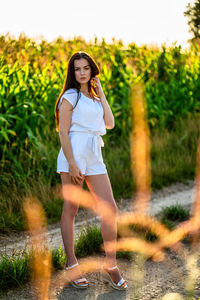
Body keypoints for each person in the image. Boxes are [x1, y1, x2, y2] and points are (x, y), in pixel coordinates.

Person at [55, 51, 127, 290]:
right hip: (74, 153)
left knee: (110, 208)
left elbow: (110, 123)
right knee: (72, 208)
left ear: (92, 70)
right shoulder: (69, 97)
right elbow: (63, 132)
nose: (82, 73)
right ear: (72, 72)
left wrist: (101, 91)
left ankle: (110, 264)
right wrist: (72, 163)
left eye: (86, 68)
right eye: (78, 69)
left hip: (94, 155)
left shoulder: (95, 99)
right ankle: (71, 264)